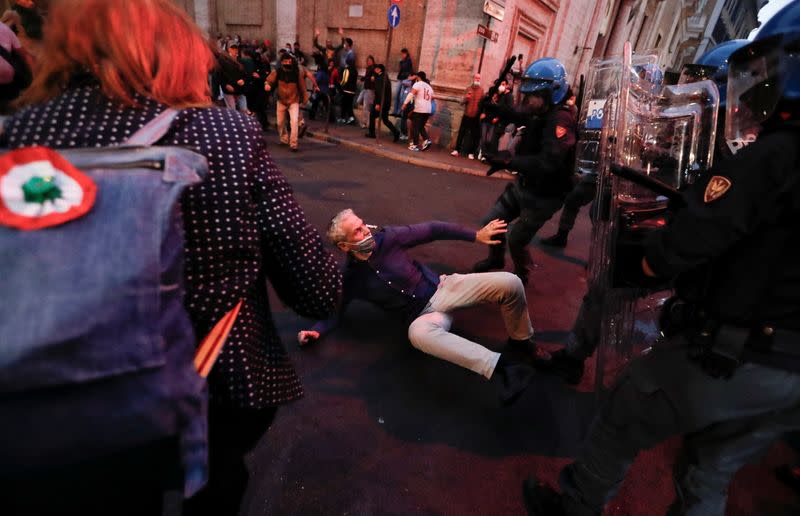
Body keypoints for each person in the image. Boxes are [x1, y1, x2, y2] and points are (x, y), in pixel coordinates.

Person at [0, 1, 342, 514]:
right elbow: (316, 290)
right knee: (211, 491)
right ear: (179, 57)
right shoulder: (225, 134)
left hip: (51, 403)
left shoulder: (17, 137)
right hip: (211, 394)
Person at [522, 12, 800, 514]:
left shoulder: (776, 154)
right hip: (785, 370)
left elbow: (695, 237)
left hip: (741, 347)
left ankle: (575, 506)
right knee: (709, 469)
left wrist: (651, 261)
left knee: (625, 412)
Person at [299, 209, 543, 405]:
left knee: (510, 283)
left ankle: (521, 342)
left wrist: (475, 235)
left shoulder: (389, 238)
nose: (366, 231)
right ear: (344, 246)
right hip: (423, 317)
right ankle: (506, 369)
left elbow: (433, 229)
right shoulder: (352, 278)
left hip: (443, 290)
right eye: (357, 232)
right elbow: (336, 311)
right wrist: (317, 330)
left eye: (363, 224)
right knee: (417, 335)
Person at [472, 57, 577, 285]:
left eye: (533, 96)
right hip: (524, 185)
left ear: (552, 93)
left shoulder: (561, 120)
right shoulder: (540, 112)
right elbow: (520, 115)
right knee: (492, 222)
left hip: (545, 196)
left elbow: (548, 163)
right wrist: (494, 108)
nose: (528, 100)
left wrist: (509, 161)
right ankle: (496, 260)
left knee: (516, 239)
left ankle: (522, 272)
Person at [265, 51, 319, 151]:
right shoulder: (278, 71)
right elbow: (269, 80)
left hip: (293, 101)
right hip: (281, 101)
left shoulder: (296, 73)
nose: (287, 63)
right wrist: (267, 85)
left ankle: (293, 144)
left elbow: (302, 87)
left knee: (294, 122)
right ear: (282, 62)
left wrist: (305, 99)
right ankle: (284, 139)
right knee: (280, 123)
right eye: (285, 61)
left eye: (289, 61)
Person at [451, 72, 484, 159]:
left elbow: (483, 104)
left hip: (475, 116)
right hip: (467, 115)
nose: (477, 80)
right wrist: (467, 98)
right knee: (461, 133)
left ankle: (471, 153)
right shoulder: (468, 89)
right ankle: (457, 150)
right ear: (473, 79)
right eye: (476, 78)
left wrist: (482, 113)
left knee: (474, 135)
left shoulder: (482, 90)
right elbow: (462, 102)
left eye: (479, 78)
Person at [401, 70, 434, 151]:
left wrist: (405, 103)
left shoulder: (418, 84)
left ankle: (415, 145)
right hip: (428, 110)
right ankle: (427, 140)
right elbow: (432, 98)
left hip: (420, 109)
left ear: (418, 77)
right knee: (420, 126)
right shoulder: (429, 87)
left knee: (415, 127)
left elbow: (411, 94)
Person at [366, 63, 399, 141]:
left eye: (376, 69)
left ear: (379, 70)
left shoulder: (380, 79)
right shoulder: (384, 77)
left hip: (381, 103)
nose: (375, 70)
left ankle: (372, 133)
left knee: (372, 115)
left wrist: (378, 104)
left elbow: (380, 92)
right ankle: (396, 132)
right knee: (385, 120)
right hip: (386, 103)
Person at [357, 55, 376, 128]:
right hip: (365, 88)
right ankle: (367, 119)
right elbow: (367, 77)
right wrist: (362, 79)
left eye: (370, 61)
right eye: (368, 61)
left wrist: (373, 78)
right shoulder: (368, 68)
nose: (369, 62)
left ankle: (365, 123)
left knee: (365, 107)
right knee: (358, 101)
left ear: (373, 61)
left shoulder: (374, 68)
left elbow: (374, 77)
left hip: (370, 90)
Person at [394, 47, 413, 115]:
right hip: (400, 79)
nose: (402, 55)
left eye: (403, 53)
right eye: (402, 54)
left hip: (405, 80)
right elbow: (401, 70)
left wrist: (406, 77)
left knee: (401, 97)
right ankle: (395, 111)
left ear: (406, 53)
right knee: (396, 95)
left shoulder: (409, 61)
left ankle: (399, 112)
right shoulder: (401, 61)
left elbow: (409, 71)